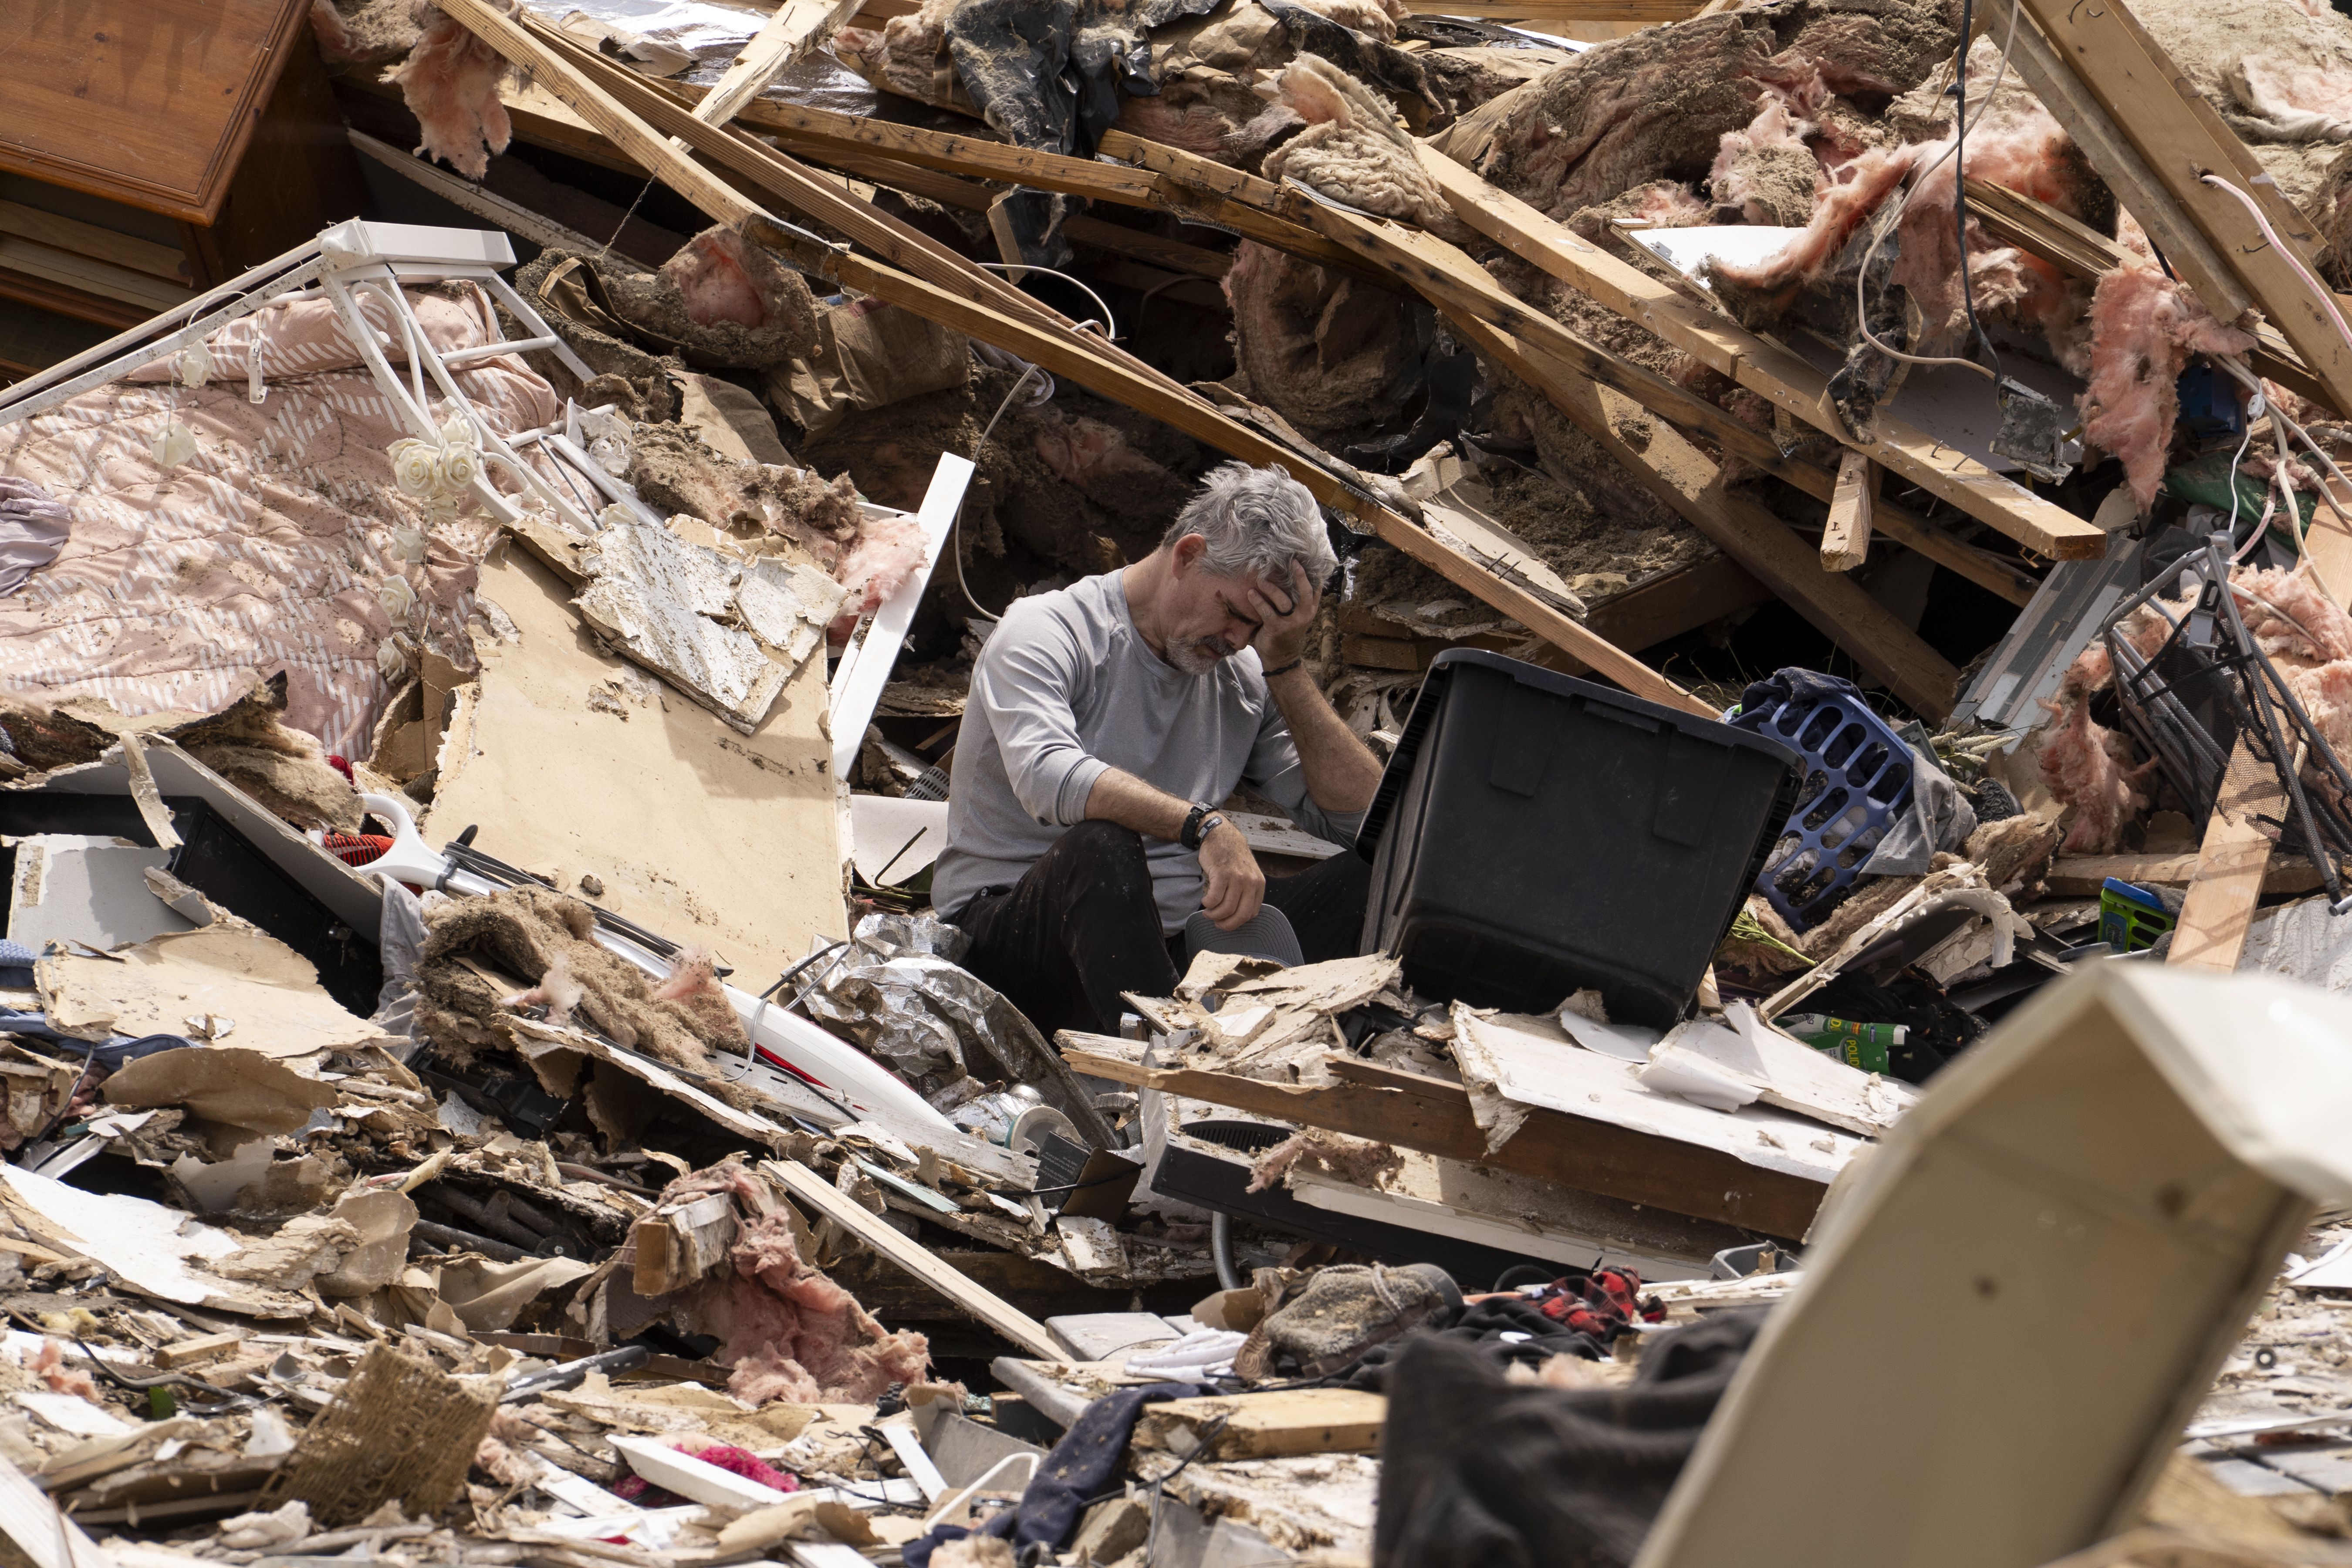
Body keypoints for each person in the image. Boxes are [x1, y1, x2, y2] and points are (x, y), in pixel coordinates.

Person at [931, 461, 1384, 1038]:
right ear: (1189, 554)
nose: (1239, 641)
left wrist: (1286, 663)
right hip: (1012, 947)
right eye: (1238, 614)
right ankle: (1181, 1080)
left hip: (1165, 949)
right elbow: (1049, 778)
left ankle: (1310, 1049)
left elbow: (1364, 821)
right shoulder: (1048, 630)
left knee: (1378, 873)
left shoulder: (1244, 671)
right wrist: (1204, 827)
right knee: (1101, 847)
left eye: (1262, 630)